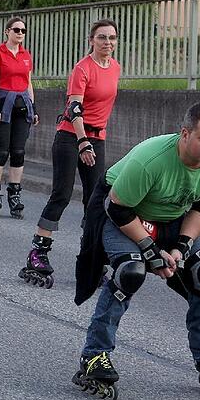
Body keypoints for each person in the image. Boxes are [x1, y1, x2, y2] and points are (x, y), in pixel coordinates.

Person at [72, 102, 200, 400]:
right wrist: (150, 252)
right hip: (122, 212)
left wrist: (181, 247)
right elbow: (117, 208)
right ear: (185, 134)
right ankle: (94, 356)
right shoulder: (151, 159)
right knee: (131, 272)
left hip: (171, 220)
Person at [21, 19, 121, 289]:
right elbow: (74, 109)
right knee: (62, 194)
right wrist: (82, 142)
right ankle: (37, 254)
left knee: (95, 201)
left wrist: (91, 141)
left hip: (96, 138)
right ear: (91, 40)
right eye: (102, 37)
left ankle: (90, 258)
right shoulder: (82, 68)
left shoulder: (115, 68)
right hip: (70, 137)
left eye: (112, 38)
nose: (107, 43)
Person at [0, 16, 39, 219]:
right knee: (1, 152)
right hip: (4, 103)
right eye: (16, 30)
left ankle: (14, 194)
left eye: (23, 31)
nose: (20, 34)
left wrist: (34, 106)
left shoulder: (26, 54)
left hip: (22, 105)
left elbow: (28, 82)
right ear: (7, 31)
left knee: (18, 152)